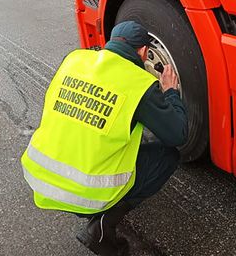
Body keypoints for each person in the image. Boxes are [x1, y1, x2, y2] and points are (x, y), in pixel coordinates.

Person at [21, 21, 188, 255]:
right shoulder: (137, 83)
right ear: (143, 52)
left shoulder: (74, 60)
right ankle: (101, 224)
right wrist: (170, 91)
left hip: (41, 180)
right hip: (87, 193)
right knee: (167, 157)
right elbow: (177, 134)